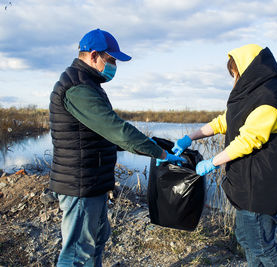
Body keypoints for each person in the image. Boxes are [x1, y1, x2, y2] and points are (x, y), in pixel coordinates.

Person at [49, 28, 185, 266]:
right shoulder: (78, 88)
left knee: (97, 239)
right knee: (76, 255)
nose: (114, 66)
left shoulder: (89, 84)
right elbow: (117, 130)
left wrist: (150, 143)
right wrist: (159, 153)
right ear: (93, 56)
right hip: (80, 184)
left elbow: (100, 135)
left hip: (92, 181)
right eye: (111, 60)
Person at [173, 44, 277, 266]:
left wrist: (213, 162)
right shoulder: (250, 97)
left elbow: (248, 141)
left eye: (235, 73)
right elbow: (224, 121)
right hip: (245, 185)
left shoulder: (270, 100)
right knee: (247, 240)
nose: (234, 79)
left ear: (249, 69)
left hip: (259, 188)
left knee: (262, 246)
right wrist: (190, 137)